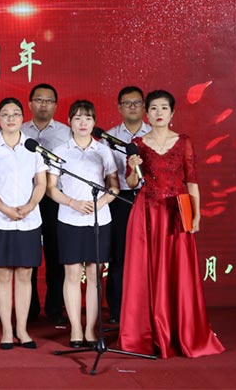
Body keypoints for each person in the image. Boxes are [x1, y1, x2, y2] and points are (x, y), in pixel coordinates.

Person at [119, 90, 225, 358]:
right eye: (153, 108)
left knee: (179, 270)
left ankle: (182, 332)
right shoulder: (138, 144)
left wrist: (197, 215)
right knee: (146, 271)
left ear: (172, 113)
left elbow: (192, 181)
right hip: (146, 212)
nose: (158, 113)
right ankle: (149, 332)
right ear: (147, 113)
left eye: (163, 108)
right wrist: (132, 165)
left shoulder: (183, 142)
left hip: (178, 211)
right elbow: (131, 183)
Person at [46, 100, 118, 348]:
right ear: (69, 122)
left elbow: (114, 186)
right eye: (77, 118)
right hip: (69, 218)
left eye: (88, 118)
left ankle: (91, 330)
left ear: (94, 122)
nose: (83, 123)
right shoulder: (60, 151)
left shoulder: (103, 151)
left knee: (96, 275)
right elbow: (51, 188)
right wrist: (72, 203)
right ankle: (76, 328)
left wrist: (100, 203)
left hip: (99, 219)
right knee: (72, 274)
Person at [0, 97, 47, 350]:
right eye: (5, 114)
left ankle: (22, 329)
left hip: (29, 219)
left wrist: (30, 206)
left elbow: (41, 183)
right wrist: (5, 209)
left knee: (25, 274)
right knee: (3, 274)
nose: (11, 118)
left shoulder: (33, 147)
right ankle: (7, 330)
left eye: (15, 114)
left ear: (22, 118)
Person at [22, 83, 71, 325]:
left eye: (49, 101)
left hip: (54, 198)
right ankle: (29, 308)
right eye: (39, 100)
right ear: (30, 103)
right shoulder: (19, 130)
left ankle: (55, 307)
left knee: (55, 254)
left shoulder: (66, 132)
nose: (44, 105)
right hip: (25, 199)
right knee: (27, 256)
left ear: (55, 105)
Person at [103, 86, 151, 325]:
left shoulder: (153, 134)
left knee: (148, 255)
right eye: (127, 103)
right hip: (118, 199)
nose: (132, 107)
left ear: (144, 107)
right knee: (119, 255)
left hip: (148, 198)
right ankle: (117, 309)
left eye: (137, 103)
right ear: (119, 107)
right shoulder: (108, 137)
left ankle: (148, 307)